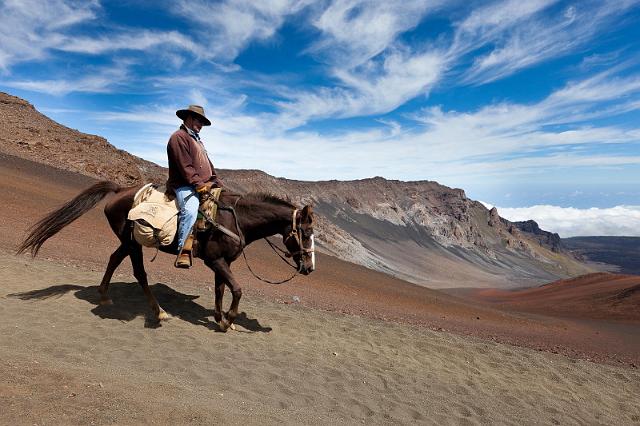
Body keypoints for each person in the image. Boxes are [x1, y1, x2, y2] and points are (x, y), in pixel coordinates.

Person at [166, 105, 222, 268]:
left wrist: (216, 180)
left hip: (202, 184)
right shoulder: (178, 137)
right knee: (190, 210)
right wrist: (199, 185)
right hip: (184, 185)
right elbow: (186, 167)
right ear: (189, 118)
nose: (201, 125)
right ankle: (183, 250)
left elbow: (208, 164)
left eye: (203, 122)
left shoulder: (198, 140)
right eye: (199, 120)